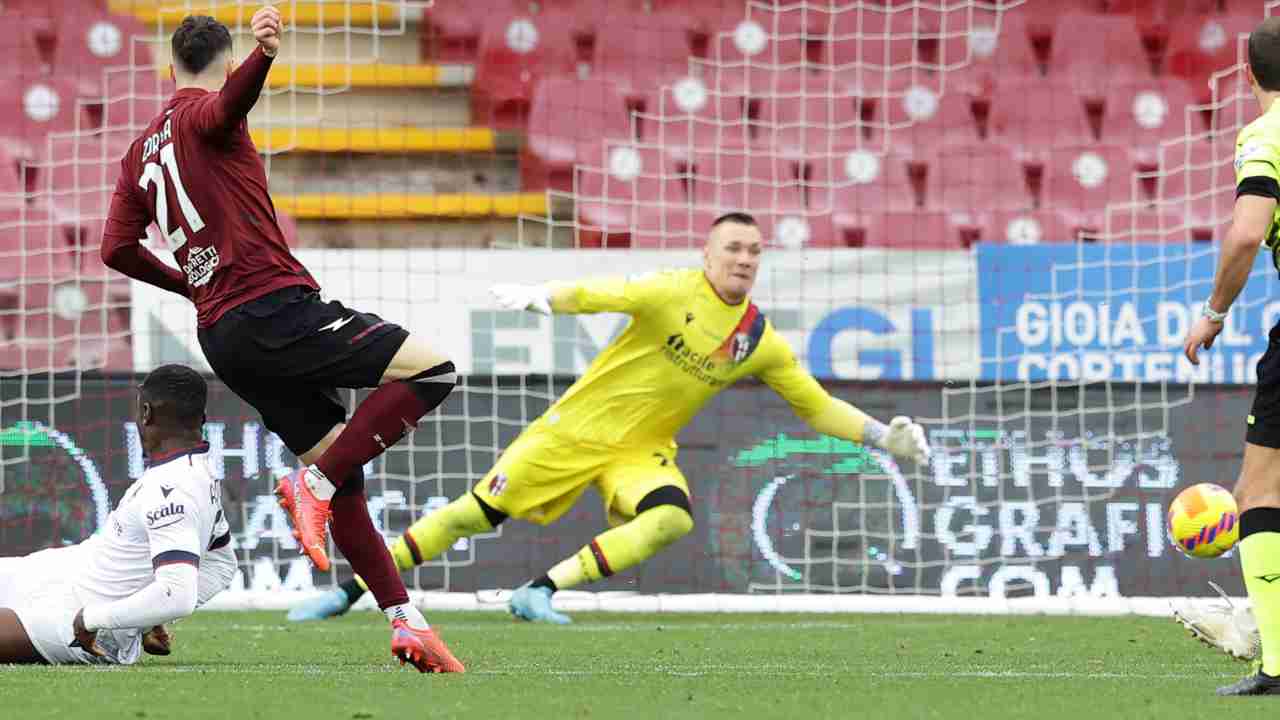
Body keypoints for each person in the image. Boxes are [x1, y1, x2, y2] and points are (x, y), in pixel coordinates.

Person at [288, 212, 930, 624]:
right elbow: (602, 292)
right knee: (469, 516)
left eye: (754, 251)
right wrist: (541, 297)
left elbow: (814, 405)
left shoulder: (757, 338)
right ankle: (348, 594)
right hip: (573, 431)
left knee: (671, 516)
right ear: (708, 255)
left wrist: (882, 437)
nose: (744, 259)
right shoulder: (673, 290)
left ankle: (538, 591)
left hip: (640, 449)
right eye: (733, 247)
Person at [98, 7, 462, 672]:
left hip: (222, 335)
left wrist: (185, 285)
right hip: (273, 306)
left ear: (170, 60)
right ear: (224, 61)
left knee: (344, 478)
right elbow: (222, 109)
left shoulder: (137, 153)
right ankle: (313, 485)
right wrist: (264, 58)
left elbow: (115, 247)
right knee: (434, 372)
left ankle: (406, 622)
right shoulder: (207, 110)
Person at [0, 365, 237, 664]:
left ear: (147, 413)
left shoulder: (173, 488)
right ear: (201, 419)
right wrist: (143, 618)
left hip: (79, 618)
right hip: (67, 573)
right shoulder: (198, 473)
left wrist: (96, 618)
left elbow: (177, 594)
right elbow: (224, 564)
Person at [1181, 16, 1280, 697]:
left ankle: (1274, 658)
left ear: (1248, 77)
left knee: (1260, 493)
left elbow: (1247, 233)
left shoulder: (1265, 134)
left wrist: (1214, 312)